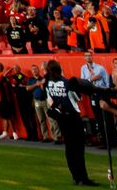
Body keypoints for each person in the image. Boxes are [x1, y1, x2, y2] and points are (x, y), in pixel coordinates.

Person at [42, 59, 95, 187]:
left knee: (69, 148)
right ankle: (83, 177)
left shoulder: (47, 83)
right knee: (78, 148)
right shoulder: (67, 82)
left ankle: (75, 176)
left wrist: (58, 106)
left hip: (61, 117)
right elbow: (77, 98)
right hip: (73, 116)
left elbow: (49, 100)